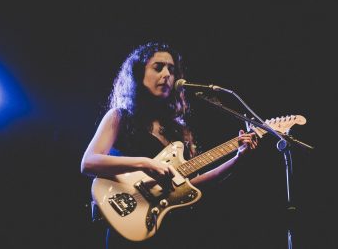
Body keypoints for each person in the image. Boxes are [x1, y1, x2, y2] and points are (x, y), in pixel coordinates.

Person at [80, 41, 258, 248]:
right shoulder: (120, 117)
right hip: (128, 221)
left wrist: (237, 159)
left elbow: (192, 185)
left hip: (171, 229)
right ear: (138, 74)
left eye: (171, 70)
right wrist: (145, 163)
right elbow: (88, 162)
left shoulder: (179, 131)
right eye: (158, 67)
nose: (167, 75)